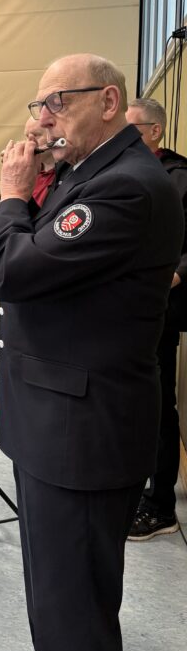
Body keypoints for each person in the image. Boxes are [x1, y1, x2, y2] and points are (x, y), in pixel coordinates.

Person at [0, 55, 184, 651]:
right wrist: (38, 183)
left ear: (108, 101)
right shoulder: (87, 174)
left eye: (56, 103)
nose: (42, 120)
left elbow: (13, 270)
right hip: (54, 420)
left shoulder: (125, 187)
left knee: (75, 610)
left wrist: (12, 193)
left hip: (81, 430)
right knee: (54, 598)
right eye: (38, 106)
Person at [125, 97, 187, 540]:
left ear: (155, 131)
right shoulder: (120, 170)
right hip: (123, 306)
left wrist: (176, 274)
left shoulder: (178, 176)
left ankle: (161, 504)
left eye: (132, 129)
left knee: (159, 403)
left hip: (161, 304)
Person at [23, 117, 56, 211]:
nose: (29, 143)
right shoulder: (29, 172)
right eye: (27, 137)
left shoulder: (67, 175)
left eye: (36, 135)